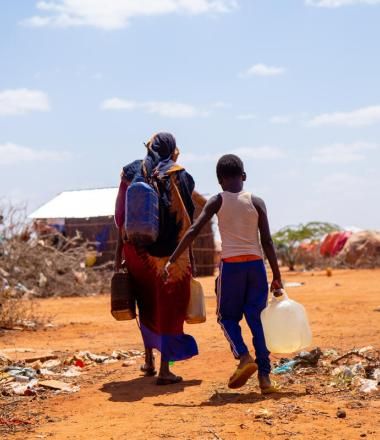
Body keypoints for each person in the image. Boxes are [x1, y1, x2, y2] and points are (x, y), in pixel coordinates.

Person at [164, 154, 282, 392]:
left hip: (232, 267)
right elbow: (267, 241)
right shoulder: (257, 202)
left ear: (219, 180)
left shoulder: (217, 201)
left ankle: (243, 357)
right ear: (244, 176)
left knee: (226, 318)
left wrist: (172, 259)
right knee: (258, 320)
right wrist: (277, 276)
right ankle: (265, 378)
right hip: (257, 266)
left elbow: (195, 229)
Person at [114, 132, 198, 385]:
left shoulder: (130, 172)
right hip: (172, 256)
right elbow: (186, 220)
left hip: (137, 252)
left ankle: (149, 360)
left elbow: (120, 217)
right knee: (171, 306)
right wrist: (188, 254)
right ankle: (165, 369)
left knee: (145, 301)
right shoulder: (181, 175)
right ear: (173, 150)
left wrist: (119, 253)